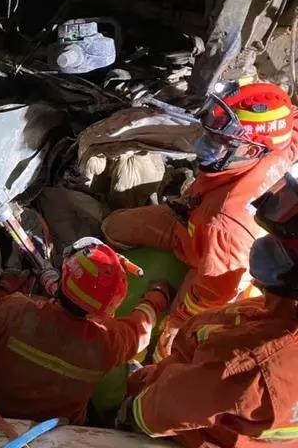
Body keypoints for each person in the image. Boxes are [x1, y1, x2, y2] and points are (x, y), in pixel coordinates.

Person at [102, 82, 298, 360]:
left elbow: (212, 290)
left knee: (171, 345)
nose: (203, 145)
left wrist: (177, 320)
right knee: (113, 227)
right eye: (210, 133)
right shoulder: (283, 134)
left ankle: (161, 355)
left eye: (219, 141)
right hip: (196, 217)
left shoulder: (225, 222)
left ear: (252, 151)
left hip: (216, 253)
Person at [116, 171, 298, 447]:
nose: (264, 242)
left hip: (189, 428)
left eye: (278, 245)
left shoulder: (249, 361)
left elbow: (166, 408)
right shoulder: (278, 316)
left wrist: (130, 412)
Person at [0, 237, 172, 424]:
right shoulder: (107, 344)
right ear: (109, 308)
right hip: (59, 430)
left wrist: (1, 291)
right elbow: (140, 331)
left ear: (64, 274)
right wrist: (156, 298)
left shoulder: (14, 310)